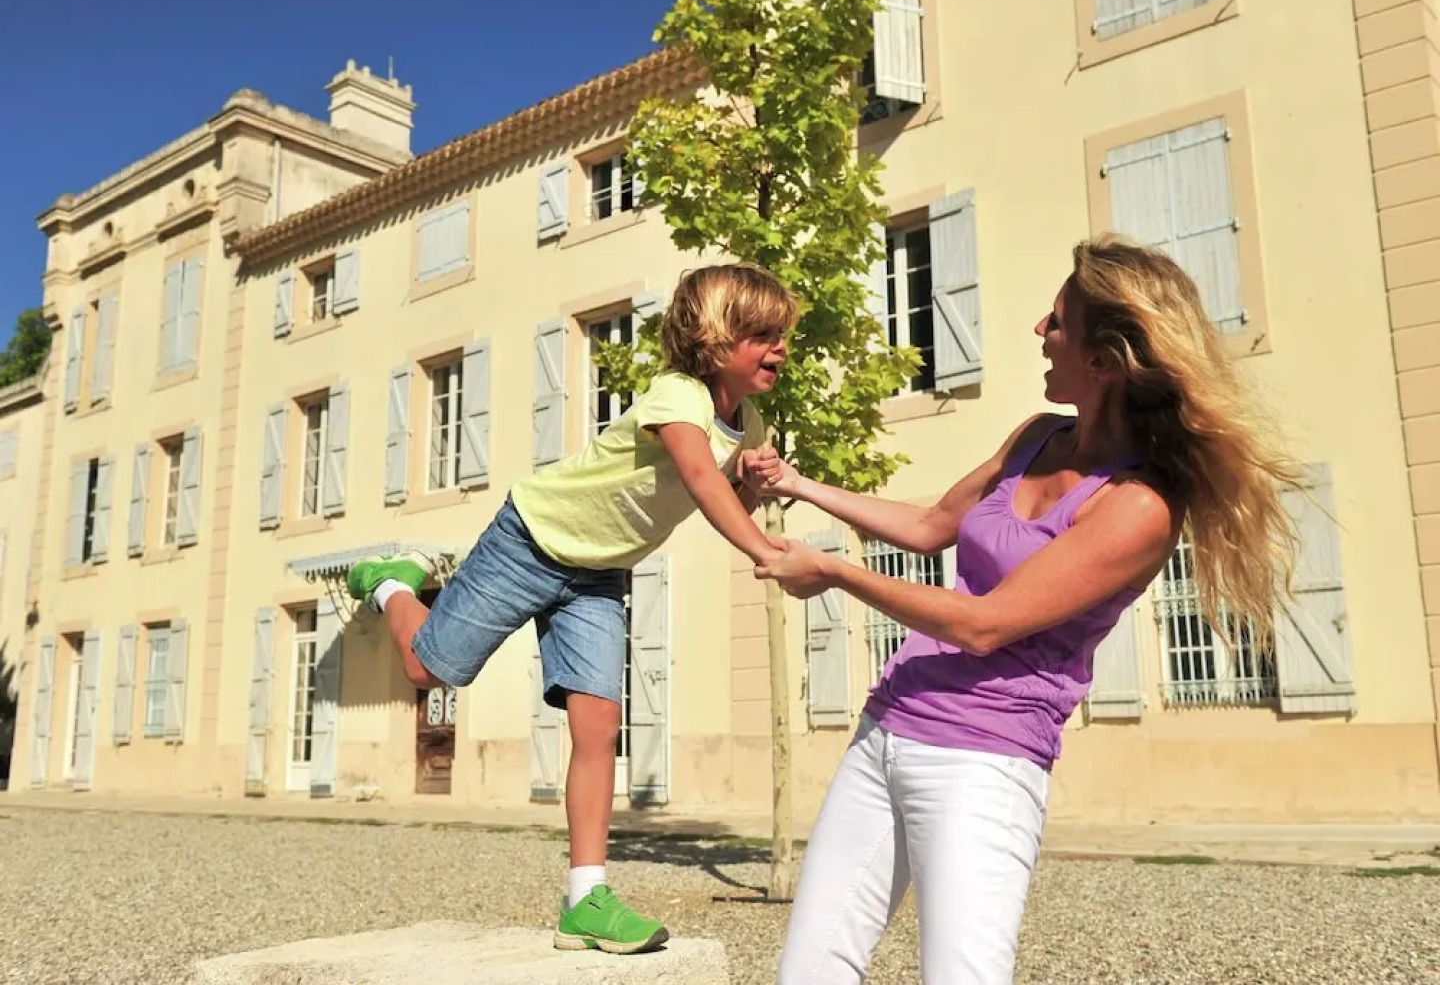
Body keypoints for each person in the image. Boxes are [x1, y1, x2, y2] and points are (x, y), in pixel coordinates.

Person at [744, 236, 1301, 984]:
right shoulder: (1037, 437)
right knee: (810, 971)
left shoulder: (1137, 507)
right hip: (888, 728)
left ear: (1104, 362)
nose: (1039, 329)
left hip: (982, 759)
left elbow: (986, 623)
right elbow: (930, 526)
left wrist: (837, 574)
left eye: (1058, 321)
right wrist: (799, 484)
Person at [345, 263, 797, 954]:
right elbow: (703, 482)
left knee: (598, 724)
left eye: (782, 335)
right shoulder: (677, 395)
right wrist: (763, 548)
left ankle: (585, 900)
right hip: (532, 538)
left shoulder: (749, 420)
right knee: (423, 669)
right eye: (763, 335)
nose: (779, 349)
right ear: (714, 337)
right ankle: (392, 582)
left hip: (598, 574)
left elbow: (727, 492)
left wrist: (757, 486)